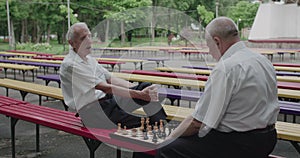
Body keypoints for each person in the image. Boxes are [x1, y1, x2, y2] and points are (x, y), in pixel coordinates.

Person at [159, 17, 279, 158]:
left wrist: (169, 137)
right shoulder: (263, 61)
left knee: (167, 148)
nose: (209, 52)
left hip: (238, 144)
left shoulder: (226, 68)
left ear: (217, 42)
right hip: (268, 139)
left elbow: (198, 123)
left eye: (209, 46)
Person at [59, 22, 166, 130]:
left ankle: (163, 126)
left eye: (89, 36)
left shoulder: (89, 60)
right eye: (83, 38)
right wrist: (140, 95)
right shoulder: (70, 65)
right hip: (94, 113)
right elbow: (105, 88)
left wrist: (139, 90)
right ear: (72, 43)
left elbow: (111, 79)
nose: (89, 41)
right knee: (145, 122)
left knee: (145, 86)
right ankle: (164, 129)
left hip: (109, 103)